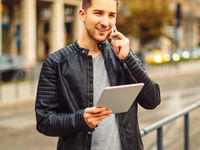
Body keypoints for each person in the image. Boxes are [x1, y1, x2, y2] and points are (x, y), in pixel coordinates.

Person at [35, 0, 161, 150]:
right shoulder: (56, 63)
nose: (105, 22)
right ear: (82, 15)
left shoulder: (123, 55)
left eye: (111, 15)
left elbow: (152, 100)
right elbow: (44, 121)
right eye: (98, 13)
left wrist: (129, 59)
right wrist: (80, 119)